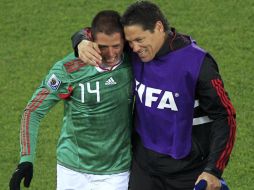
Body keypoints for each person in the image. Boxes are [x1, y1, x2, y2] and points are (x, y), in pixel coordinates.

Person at [71, 1, 236, 190]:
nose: (133, 48)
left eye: (139, 40)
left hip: (187, 171)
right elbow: (93, 32)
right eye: (130, 42)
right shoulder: (136, 51)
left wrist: (214, 170)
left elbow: (225, 116)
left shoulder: (198, 63)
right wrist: (80, 41)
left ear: (158, 28)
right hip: (144, 168)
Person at [9, 10, 134, 190]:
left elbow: (159, 38)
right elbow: (33, 112)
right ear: (91, 41)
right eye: (103, 47)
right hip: (71, 170)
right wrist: (26, 160)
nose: (111, 53)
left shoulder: (134, 61)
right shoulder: (69, 69)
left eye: (116, 46)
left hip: (116, 172)